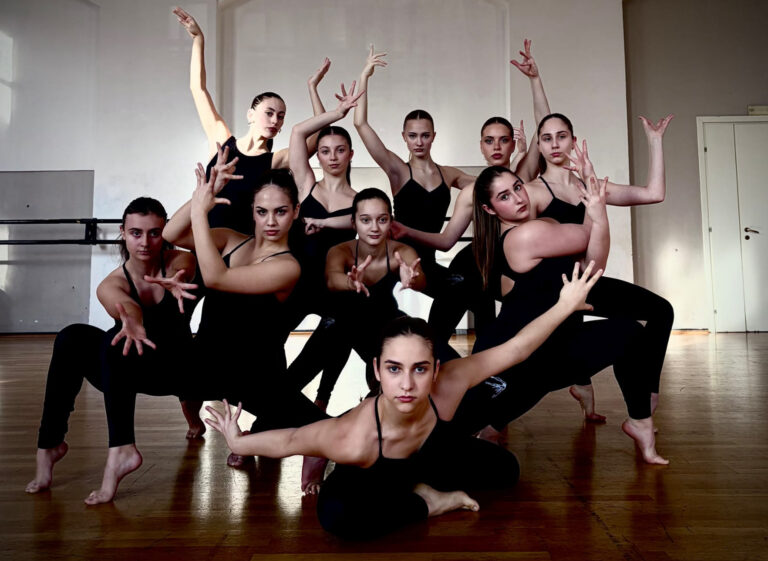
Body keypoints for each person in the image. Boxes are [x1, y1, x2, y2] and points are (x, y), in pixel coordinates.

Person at [205, 262, 601, 539]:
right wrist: (239, 441)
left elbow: (516, 349)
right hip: (375, 472)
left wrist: (564, 305)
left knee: (507, 471)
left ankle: (425, 481)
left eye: (420, 369)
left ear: (436, 368)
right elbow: (292, 440)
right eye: (394, 369)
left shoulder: (450, 382)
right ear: (377, 370)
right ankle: (429, 501)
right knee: (337, 517)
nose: (407, 384)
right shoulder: (352, 436)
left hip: (433, 450)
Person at [455, 165, 668, 464]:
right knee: (451, 433)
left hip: (549, 350)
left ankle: (640, 422)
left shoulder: (539, 226)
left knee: (629, 334)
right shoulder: (526, 235)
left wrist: (595, 208)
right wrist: (593, 201)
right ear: (489, 209)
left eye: (517, 187)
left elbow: (592, 267)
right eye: (504, 196)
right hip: (514, 354)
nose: (518, 198)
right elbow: (588, 234)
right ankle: (486, 428)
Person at [25, 197, 201, 503]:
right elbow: (125, 306)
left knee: (114, 344)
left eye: (154, 233)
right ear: (123, 232)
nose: (145, 242)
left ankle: (161, 434)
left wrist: (178, 281)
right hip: (131, 371)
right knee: (71, 337)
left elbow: (185, 268)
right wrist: (132, 319)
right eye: (136, 233)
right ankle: (51, 445)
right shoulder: (112, 283)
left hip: (179, 369)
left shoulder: (179, 262)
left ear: (165, 233)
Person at [163, 152, 327, 469]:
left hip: (256, 377)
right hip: (210, 364)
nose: (270, 221)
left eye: (281, 211)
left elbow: (217, 278)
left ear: (295, 212)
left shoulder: (287, 266)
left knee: (334, 432)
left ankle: (311, 446)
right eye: (262, 211)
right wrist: (203, 196)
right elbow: (172, 234)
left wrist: (200, 212)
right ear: (252, 210)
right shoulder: (229, 240)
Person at [390, 39, 552, 343]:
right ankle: (432, 354)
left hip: (512, 261)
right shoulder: (476, 189)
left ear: (513, 144)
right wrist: (405, 230)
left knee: (501, 326)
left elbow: (546, 126)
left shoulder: (523, 175)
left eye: (504, 140)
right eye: (489, 141)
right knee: (451, 319)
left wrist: (535, 80)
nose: (496, 147)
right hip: (477, 260)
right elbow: (446, 240)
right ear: (481, 147)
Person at [523, 111, 675, 422]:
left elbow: (654, 194)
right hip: (555, 291)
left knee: (661, 311)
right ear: (538, 146)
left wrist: (655, 141)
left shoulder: (591, 186)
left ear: (574, 141)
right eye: (547, 139)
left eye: (561, 136)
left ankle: (646, 398)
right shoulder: (532, 192)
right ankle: (495, 420)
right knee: (549, 369)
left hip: (588, 281)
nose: (555, 144)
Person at [173, 7, 321, 234]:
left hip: (244, 244)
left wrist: (313, 89)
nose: (275, 120)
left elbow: (316, 138)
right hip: (205, 239)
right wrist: (198, 39)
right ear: (250, 114)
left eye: (281, 117)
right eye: (269, 113)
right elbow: (198, 89)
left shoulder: (276, 160)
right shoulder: (222, 140)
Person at [352, 45, 474, 312]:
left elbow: (488, 185)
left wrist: (512, 159)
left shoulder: (448, 174)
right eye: (413, 136)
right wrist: (364, 77)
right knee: (371, 308)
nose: (419, 142)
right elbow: (360, 124)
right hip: (392, 258)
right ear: (404, 137)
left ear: (433, 136)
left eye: (425, 135)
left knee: (464, 287)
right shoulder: (398, 170)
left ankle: (437, 337)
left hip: (426, 262)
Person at [284, 82, 363, 411]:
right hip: (298, 283)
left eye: (340, 150)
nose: (332, 157)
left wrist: (325, 223)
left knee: (339, 329)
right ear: (318, 155)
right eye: (326, 151)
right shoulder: (305, 185)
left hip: (334, 286)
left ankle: (320, 397)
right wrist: (337, 113)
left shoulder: (359, 201)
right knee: (269, 334)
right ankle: (277, 396)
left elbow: (361, 222)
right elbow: (298, 132)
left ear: (350, 154)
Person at [323, 188, 427, 392]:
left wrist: (412, 279)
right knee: (336, 330)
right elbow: (331, 279)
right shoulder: (340, 251)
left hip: (385, 320)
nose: (374, 228)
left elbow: (420, 278)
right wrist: (350, 282)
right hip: (346, 322)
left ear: (391, 221)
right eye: (365, 220)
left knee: (419, 344)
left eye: (382, 220)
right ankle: (321, 399)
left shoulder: (401, 251)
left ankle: (378, 393)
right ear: (354, 222)